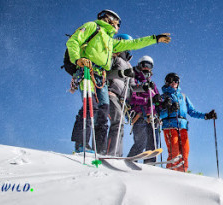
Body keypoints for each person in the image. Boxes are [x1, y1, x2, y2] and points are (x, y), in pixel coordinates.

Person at [68, 9, 171, 153]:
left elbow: (135, 43)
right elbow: (73, 40)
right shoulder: (93, 27)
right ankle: (81, 144)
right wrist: (77, 59)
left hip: (101, 76)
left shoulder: (111, 42)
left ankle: (100, 149)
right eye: (117, 22)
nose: (118, 26)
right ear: (109, 18)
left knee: (103, 112)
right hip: (87, 70)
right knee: (90, 107)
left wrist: (155, 39)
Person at [160, 73, 217, 172]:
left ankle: (183, 175)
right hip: (170, 126)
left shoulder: (183, 97)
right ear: (167, 82)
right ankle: (171, 175)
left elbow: (192, 111)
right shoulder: (163, 97)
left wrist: (206, 116)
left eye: (176, 80)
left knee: (185, 152)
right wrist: (170, 110)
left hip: (183, 126)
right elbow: (159, 114)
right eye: (171, 80)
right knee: (174, 152)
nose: (174, 82)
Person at [105, 34, 136, 157]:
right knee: (117, 122)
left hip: (122, 100)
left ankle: (118, 154)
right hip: (111, 93)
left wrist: (143, 88)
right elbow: (106, 74)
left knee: (121, 124)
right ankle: (110, 153)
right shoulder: (114, 58)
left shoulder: (129, 65)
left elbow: (132, 86)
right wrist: (122, 73)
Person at [126, 56, 162, 163]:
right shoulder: (134, 80)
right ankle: (131, 161)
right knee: (141, 142)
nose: (146, 68)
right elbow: (131, 98)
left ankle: (150, 165)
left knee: (152, 144)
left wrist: (161, 102)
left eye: (149, 65)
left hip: (152, 117)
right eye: (144, 65)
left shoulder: (152, 84)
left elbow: (157, 99)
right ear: (139, 65)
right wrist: (147, 100)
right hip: (139, 115)